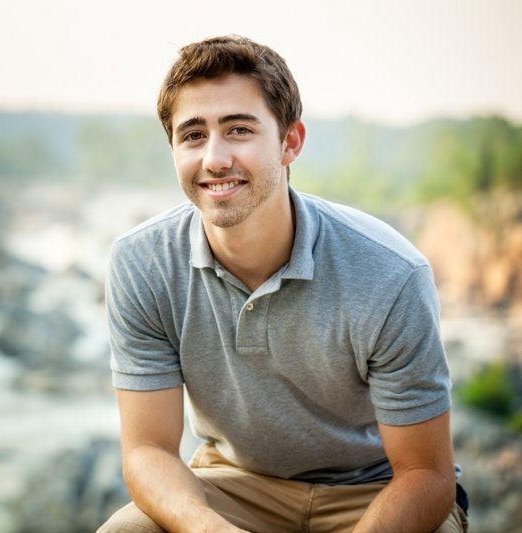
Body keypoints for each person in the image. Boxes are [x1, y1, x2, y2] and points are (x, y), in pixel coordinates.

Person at [98, 35, 467, 533]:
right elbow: (147, 449)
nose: (215, 158)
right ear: (173, 149)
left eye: (238, 129)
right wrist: (206, 528)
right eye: (192, 135)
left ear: (290, 141)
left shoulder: (390, 273)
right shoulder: (141, 262)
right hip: (234, 486)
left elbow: (426, 474)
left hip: (375, 491)